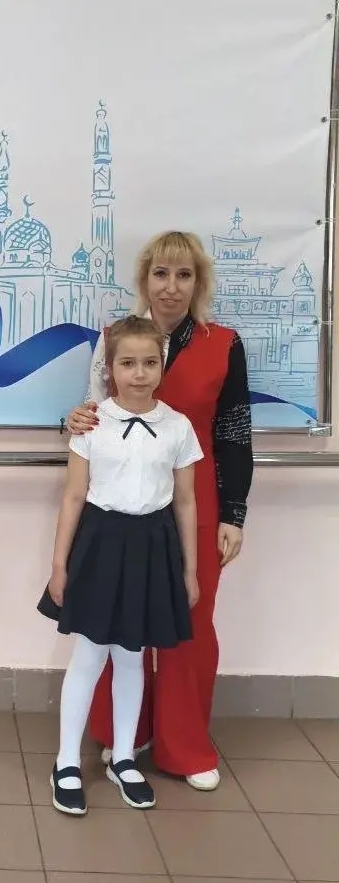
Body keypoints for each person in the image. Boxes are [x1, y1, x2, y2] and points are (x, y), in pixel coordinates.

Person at [65, 230, 253, 791]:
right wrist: (73, 420)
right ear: (145, 279)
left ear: (199, 283)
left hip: (196, 504)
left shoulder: (225, 345)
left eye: (184, 275)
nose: (171, 287)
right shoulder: (114, 339)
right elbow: (91, 415)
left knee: (189, 625)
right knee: (117, 620)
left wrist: (234, 514)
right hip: (121, 503)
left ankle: (185, 746)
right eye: (161, 274)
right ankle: (127, 736)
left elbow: (235, 434)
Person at [38, 316, 202, 815]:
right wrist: (59, 564)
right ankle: (67, 761)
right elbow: (73, 496)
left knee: (133, 656)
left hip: (153, 546)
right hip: (100, 543)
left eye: (150, 362)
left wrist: (189, 570)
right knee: (89, 656)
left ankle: (124, 757)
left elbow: (185, 502)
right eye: (128, 363)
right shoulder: (92, 422)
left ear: (162, 366)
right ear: (110, 368)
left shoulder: (178, 427)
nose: (139, 373)